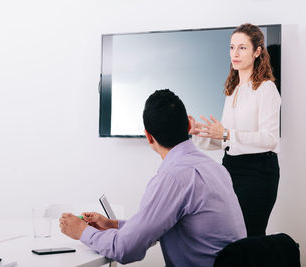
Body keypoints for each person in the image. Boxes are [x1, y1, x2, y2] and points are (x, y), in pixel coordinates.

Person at [59, 89, 246, 266]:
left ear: (149, 137)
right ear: (189, 126)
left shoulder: (173, 178)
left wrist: (82, 231)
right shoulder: (216, 169)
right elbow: (156, 225)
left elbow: (126, 249)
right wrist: (112, 225)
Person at [189, 23, 281, 237]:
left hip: (259, 171)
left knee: (250, 235)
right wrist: (201, 133)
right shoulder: (232, 90)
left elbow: (269, 139)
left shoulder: (266, 89)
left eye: (242, 48)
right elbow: (227, 141)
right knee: (231, 235)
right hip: (231, 168)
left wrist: (226, 134)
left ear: (257, 52)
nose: (235, 54)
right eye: (232, 47)